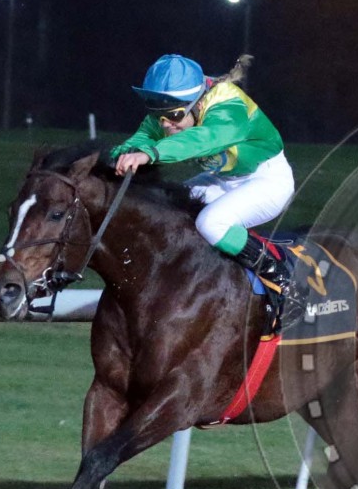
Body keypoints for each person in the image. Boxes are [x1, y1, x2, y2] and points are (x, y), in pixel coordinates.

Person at [111, 53, 296, 306]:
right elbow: (142, 138)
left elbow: (203, 139)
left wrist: (151, 153)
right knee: (167, 210)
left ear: (197, 102)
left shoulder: (229, 104)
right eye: (159, 116)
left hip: (267, 181)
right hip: (222, 179)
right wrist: (119, 156)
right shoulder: (172, 110)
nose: (166, 125)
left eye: (174, 116)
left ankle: (282, 278)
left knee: (211, 223)